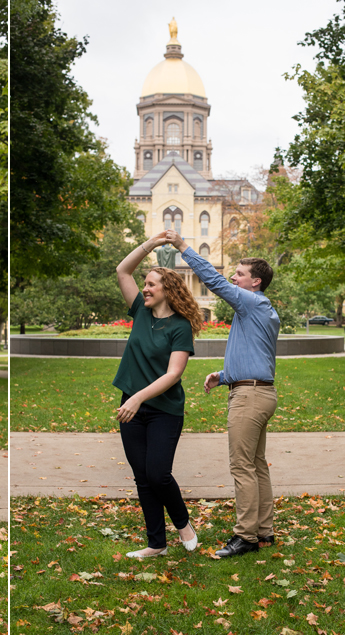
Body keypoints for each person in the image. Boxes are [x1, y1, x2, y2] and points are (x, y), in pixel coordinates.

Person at [166, 230, 280, 558]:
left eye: (240, 274)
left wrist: (182, 247)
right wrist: (224, 375)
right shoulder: (261, 309)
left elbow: (213, 281)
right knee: (256, 465)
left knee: (242, 466)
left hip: (250, 398)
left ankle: (244, 536)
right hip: (259, 392)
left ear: (255, 282)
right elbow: (258, 355)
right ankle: (264, 532)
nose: (233, 277)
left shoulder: (251, 301)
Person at [113, 231, 203, 558]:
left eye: (151, 284)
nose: (145, 289)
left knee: (158, 473)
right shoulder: (139, 311)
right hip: (132, 409)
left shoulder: (180, 326)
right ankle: (156, 544)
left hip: (164, 410)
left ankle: (183, 525)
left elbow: (173, 373)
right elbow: (123, 271)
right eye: (145, 284)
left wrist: (137, 398)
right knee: (142, 478)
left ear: (168, 290)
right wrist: (151, 244)